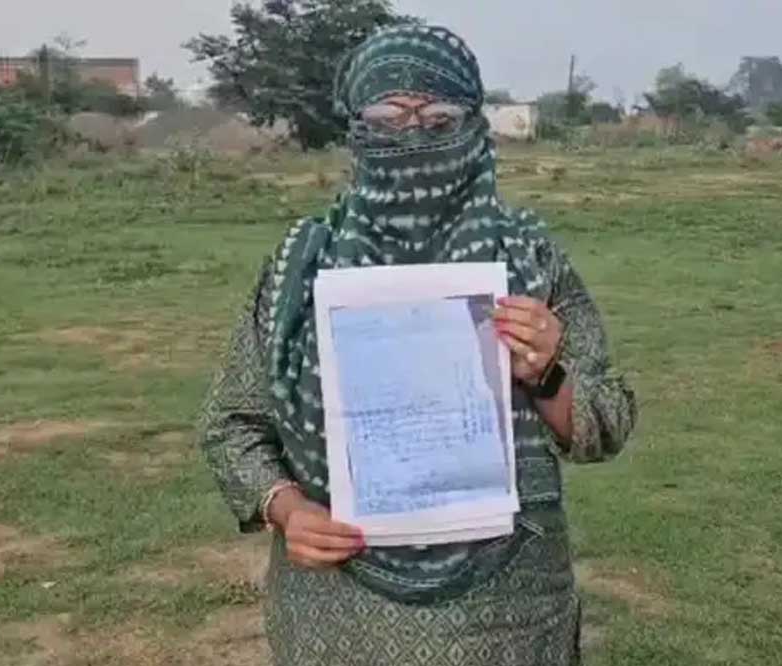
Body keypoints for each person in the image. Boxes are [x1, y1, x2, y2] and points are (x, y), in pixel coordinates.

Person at [199, 24, 637, 666]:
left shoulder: (528, 259)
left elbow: (608, 422)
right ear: (356, 127)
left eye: (438, 120)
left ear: (473, 126)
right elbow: (233, 423)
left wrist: (547, 374)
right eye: (387, 118)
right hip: (337, 610)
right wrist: (287, 510)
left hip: (508, 609)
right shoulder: (302, 266)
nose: (412, 136)